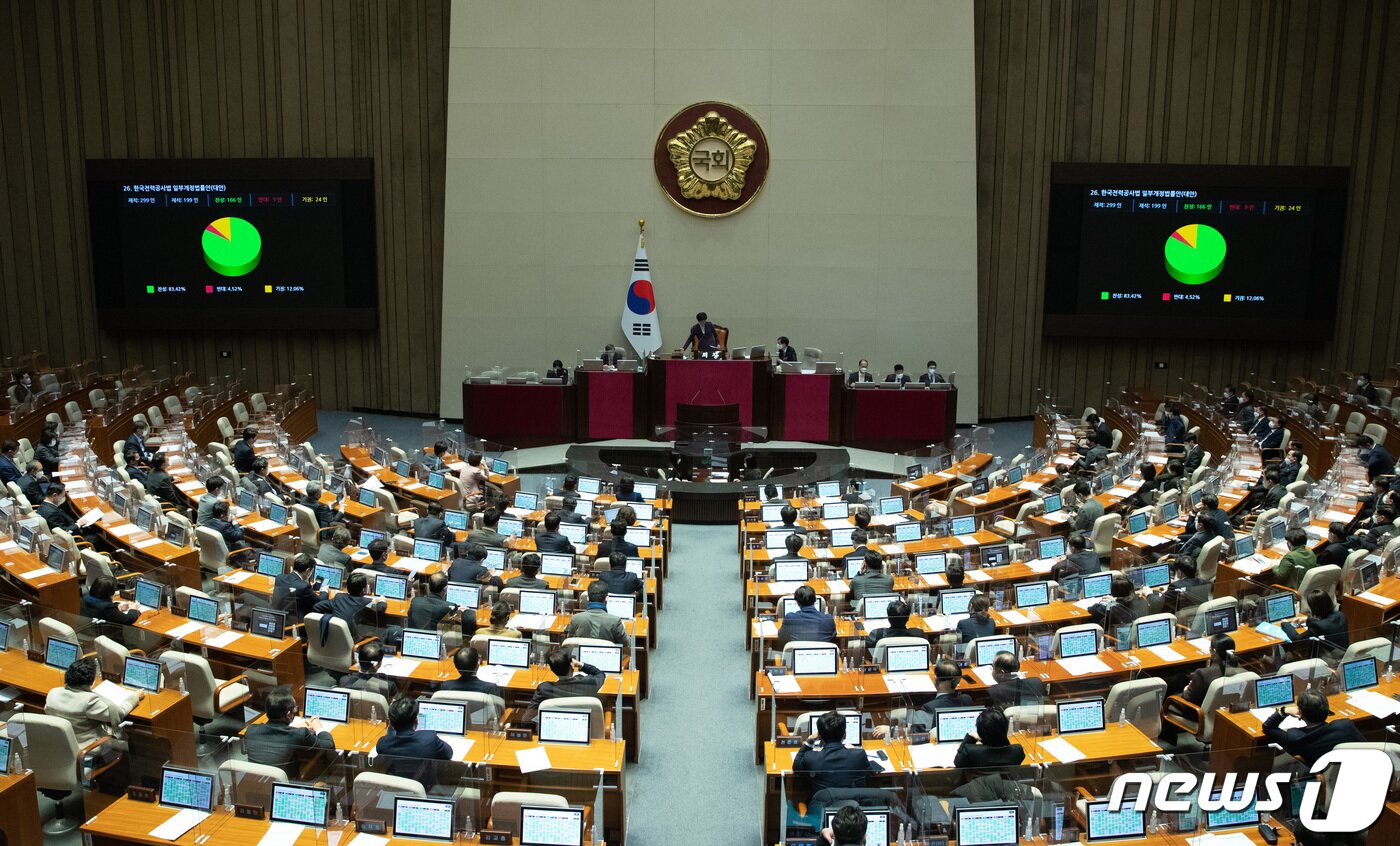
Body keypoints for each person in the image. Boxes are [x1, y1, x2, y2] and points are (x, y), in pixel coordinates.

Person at [45, 657, 139, 750]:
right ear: (91, 682)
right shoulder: (89, 700)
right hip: (86, 748)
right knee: (130, 743)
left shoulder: (53, 693)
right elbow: (118, 713)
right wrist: (134, 698)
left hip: (59, 744)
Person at [1262, 688, 1364, 769]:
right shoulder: (1345, 726)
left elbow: (1268, 727)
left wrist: (1284, 710)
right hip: (1361, 772)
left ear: (1300, 713)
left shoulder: (1297, 738)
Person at [244, 686, 335, 770]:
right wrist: (318, 727)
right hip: (285, 783)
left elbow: (277, 736)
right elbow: (328, 746)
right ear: (288, 714)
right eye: (294, 709)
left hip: (254, 781)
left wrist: (292, 728)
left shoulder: (251, 730)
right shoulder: (300, 734)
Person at [374, 697, 453, 790]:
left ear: (391, 722)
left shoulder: (382, 744)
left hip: (394, 790)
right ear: (416, 720)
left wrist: (391, 725)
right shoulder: (429, 739)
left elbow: (389, 738)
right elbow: (448, 753)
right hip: (426, 790)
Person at [794, 710, 882, 791]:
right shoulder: (858, 755)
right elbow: (871, 770)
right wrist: (854, 751)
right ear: (845, 735)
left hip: (823, 806)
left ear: (819, 736)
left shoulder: (811, 757)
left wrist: (810, 740)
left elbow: (796, 767)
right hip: (853, 806)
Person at [311, 572, 387, 641]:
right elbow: (379, 609)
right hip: (353, 641)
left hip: (331, 638)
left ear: (347, 587)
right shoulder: (367, 602)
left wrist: (330, 620)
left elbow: (317, 607)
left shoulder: (339, 597)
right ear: (364, 589)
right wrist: (382, 601)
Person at [954, 706, 1026, 769]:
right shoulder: (1017, 751)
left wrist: (969, 737)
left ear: (979, 732)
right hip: (1005, 783)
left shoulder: (970, 751)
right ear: (1006, 728)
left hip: (979, 783)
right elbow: (1006, 746)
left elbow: (957, 762)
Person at [531, 647, 607, 705]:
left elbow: (527, 717)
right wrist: (581, 664)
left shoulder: (544, 688)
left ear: (552, 670)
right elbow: (600, 674)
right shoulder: (588, 684)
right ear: (572, 666)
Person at [1182, 634, 1240, 705]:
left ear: (1214, 651)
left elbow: (1189, 698)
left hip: (1198, 712)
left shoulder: (1202, 674)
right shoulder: (1240, 670)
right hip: (1226, 708)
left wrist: (1187, 688)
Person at [565, 581, 629, 645]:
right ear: (607, 598)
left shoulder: (576, 618)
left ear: (587, 598)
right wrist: (623, 628)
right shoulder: (615, 621)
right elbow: (626, 643)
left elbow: (570, 641)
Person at [1090, 573, 1148, 640]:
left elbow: (1093, 609)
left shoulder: (1113, 608)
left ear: (1112, 593)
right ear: (1131, 589)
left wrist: (1114, 602)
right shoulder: (1143, 602)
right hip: (1139, 638)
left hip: (1117, 640)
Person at [273, 554, 327, 620]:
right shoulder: (304, 586)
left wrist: (310, 588)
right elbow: (319, 602)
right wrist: (324, 591)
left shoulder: (279, 578)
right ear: (307, 571)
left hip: (278, 617)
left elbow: (293, 586)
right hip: (296, 622)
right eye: (311, 571)